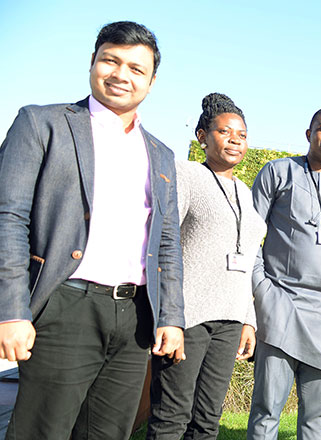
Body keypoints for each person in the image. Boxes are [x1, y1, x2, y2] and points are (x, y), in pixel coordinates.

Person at [0, 21, 184, 439]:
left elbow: (167, 242)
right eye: (111, 61)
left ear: (151, 82)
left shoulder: (160, 153)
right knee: (41, 431)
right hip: (66, 305)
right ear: (92, 64)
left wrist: (170, 317)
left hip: (135, 316)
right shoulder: (41, 124)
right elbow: (8, 217)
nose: (121, 74)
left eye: (137, 69)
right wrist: (11, 310)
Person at [146, 93, 266, 439]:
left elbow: (247, 261)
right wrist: (169, 317)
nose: (235, 141)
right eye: (225, 132)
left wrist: (248, 319)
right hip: (188, 317)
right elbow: (163, 243)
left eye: (241, 135)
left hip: (229, 321)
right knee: (172, 416)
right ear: (202, 136)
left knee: (207, 420)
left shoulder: (244, 191)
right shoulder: (185, 175)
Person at [246, 106, 321, 440]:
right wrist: (262, 290)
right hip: (280, 305)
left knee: (317, 417)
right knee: (266, 411)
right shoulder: (278, 172)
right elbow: (248, 235)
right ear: (309, 133)